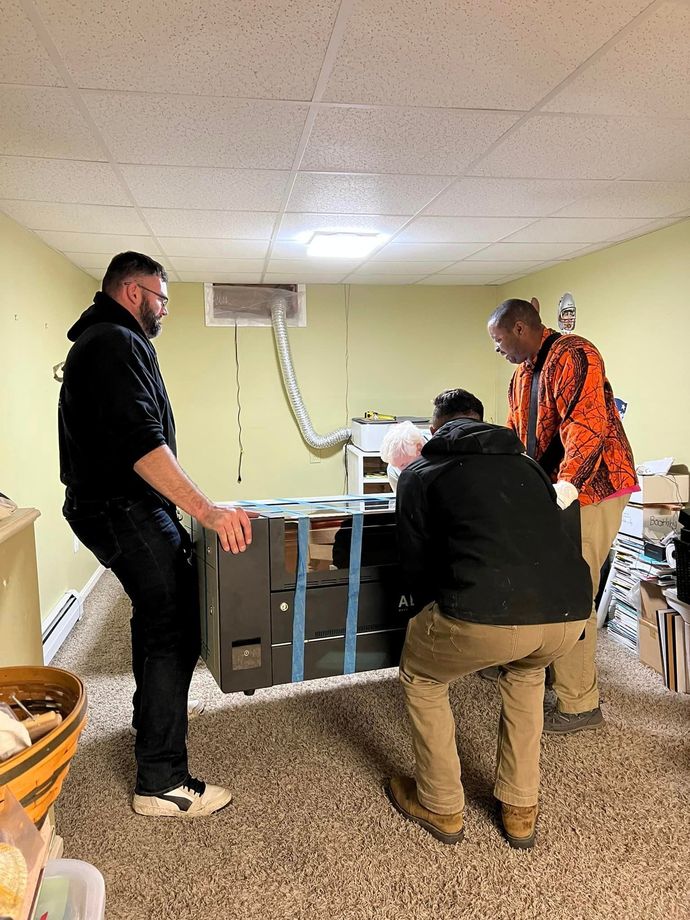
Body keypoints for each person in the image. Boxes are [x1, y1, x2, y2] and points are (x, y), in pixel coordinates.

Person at [58, 252, 254, 818]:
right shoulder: (113, 344)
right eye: (161, 298)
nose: (164, 309)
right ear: (133, 291)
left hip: (123, 504)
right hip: (119, 506)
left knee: (163, 615)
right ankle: (161, 780)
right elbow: (141, 442)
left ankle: (153, 725)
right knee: (171, 623)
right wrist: (207, 511)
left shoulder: (107, 342)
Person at [386, 389, 592, 849]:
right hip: (567, 616)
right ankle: (521, 809)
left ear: (434, 431)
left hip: (486, 616)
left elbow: (415, 563)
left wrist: (432, 612)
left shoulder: (421, 472)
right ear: (485, 422)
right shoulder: (530, 469)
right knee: (527, 672)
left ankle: (440, 804)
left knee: (421, 676)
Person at [487, 299, 637, 733]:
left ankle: (579, 704)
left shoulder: (575, 354)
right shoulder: (521, 375)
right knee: (546, 585)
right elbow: (519, 434)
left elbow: (586, 425)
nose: (498, 351)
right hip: (556, 491)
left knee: (573, 592)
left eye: (499, 342)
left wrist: (567, 485)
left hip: (595, 487)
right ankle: (551, 673)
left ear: (520, 328)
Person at [379, 420, 429, 492]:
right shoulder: (393, 470)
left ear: (419, 448)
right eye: (396, 466)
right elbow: (404, 501)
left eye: (403, 464)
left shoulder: (443, 443)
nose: (401, 471)